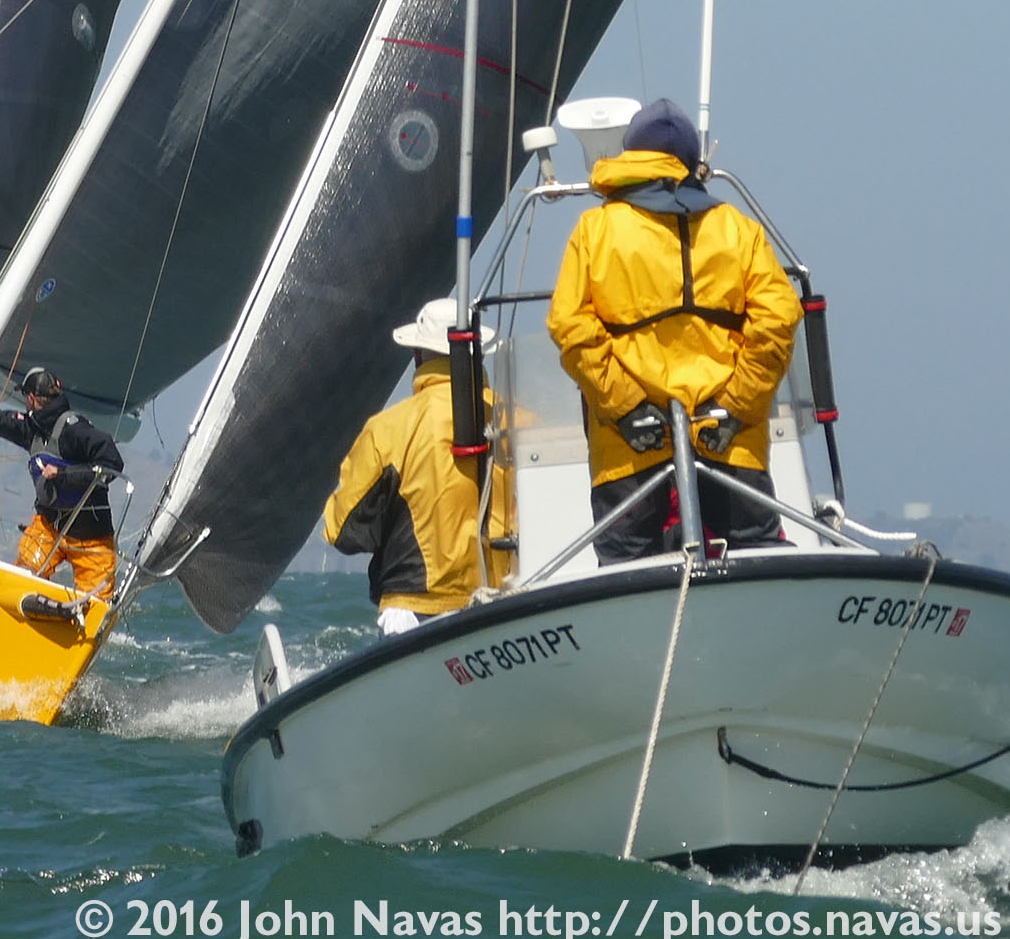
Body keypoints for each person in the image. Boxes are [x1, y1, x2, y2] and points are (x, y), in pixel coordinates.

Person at [549, 98, 800, 564]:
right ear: (690, 161)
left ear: (630, 154)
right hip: (728, 441)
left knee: (628, 572)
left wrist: (627, 408)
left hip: (628, 449)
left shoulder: (594, 231)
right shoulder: (740, 231)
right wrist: (736, 406)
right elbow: (779, 319)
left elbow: (570, 326)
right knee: (757, 559)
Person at [324, 298, 514, 630]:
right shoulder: (520, 420)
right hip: (509, 603)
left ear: (416, 355)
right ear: (479, 352)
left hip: (414, 611)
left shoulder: (387, 430)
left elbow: (344, 531)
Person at [0, 365, 123, 632]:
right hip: (49, 527)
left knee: (97, 607)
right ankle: (21, 631)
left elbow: (112, 464)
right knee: (23, 578)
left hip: (91, 536)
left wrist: (64, 475)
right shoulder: (31, 428)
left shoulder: (75, 430)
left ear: (31, 398)